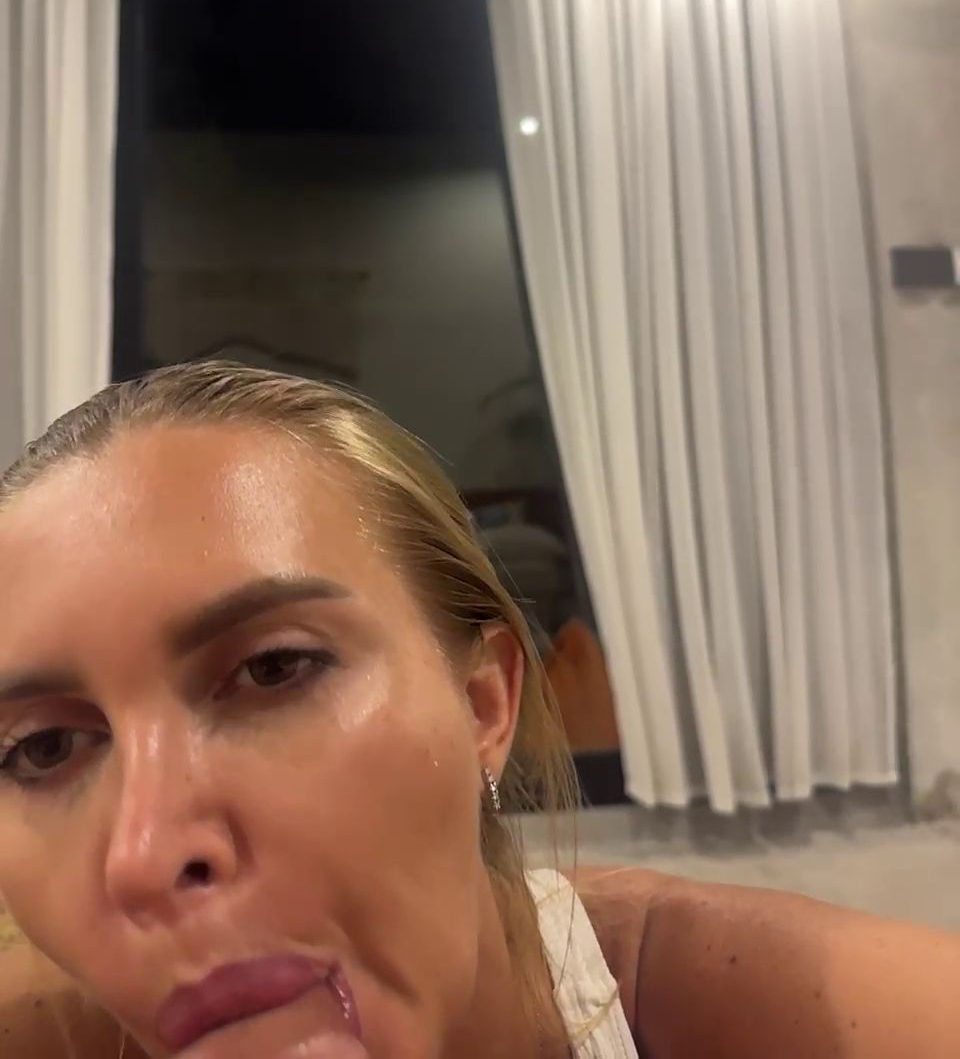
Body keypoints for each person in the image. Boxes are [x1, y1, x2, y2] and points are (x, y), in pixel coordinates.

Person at [0, 362, 956, 1059]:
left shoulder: (834, 1018)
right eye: (44, 747)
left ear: (482, 702)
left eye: (274, 669)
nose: (142, 858)